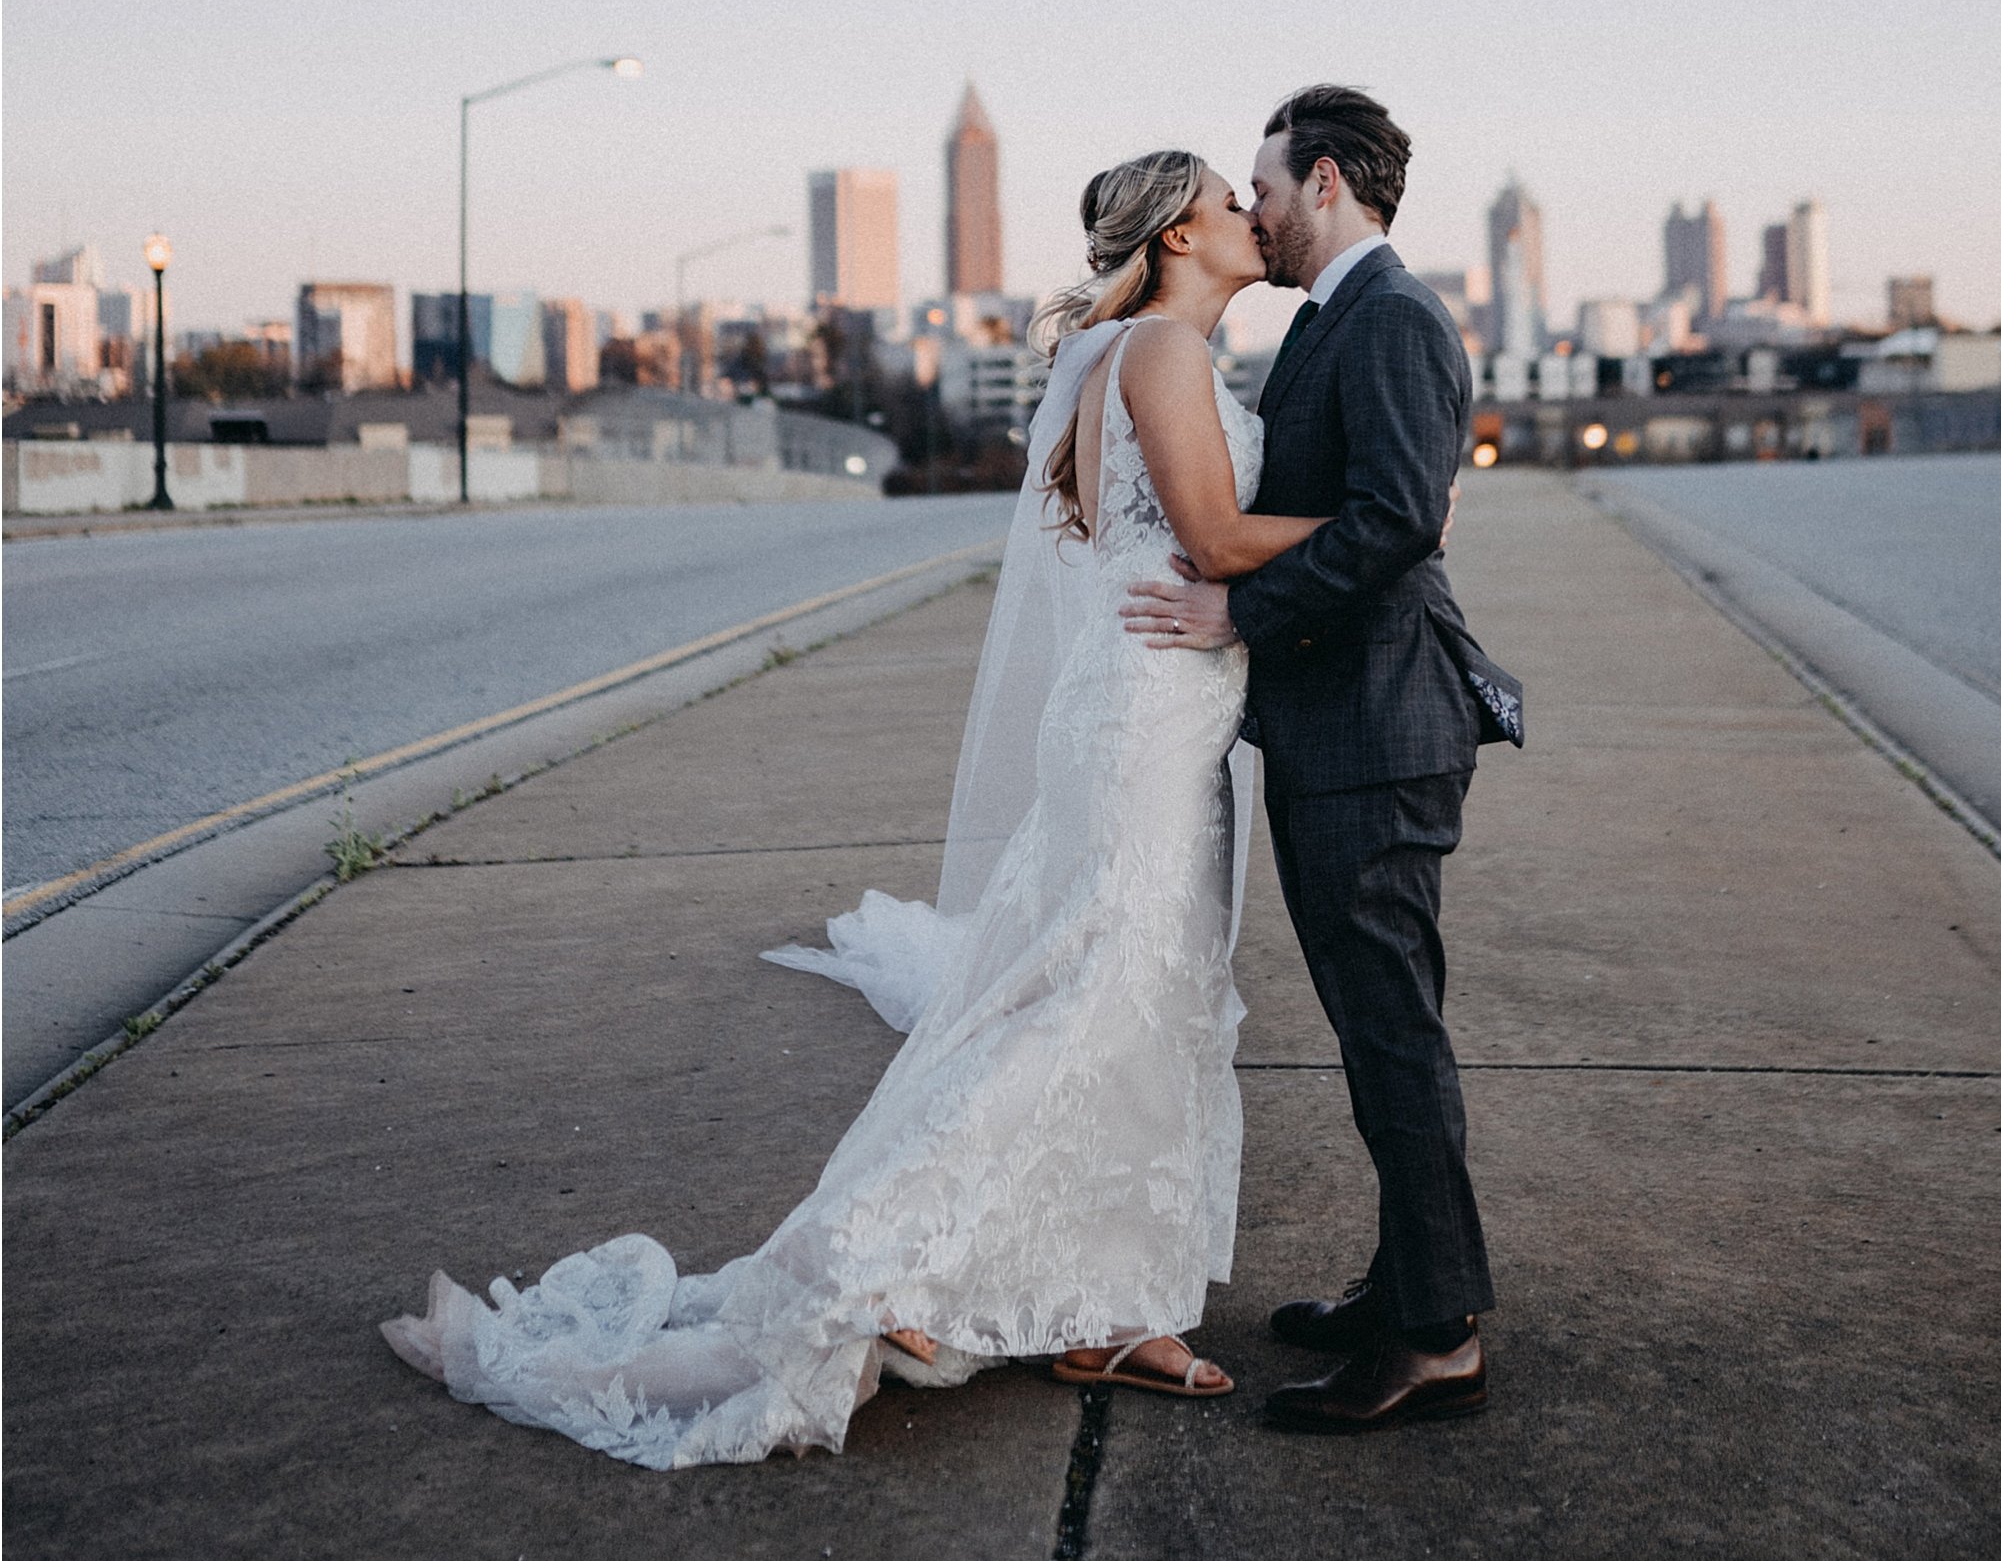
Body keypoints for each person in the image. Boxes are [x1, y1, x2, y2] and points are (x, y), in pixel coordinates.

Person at [381, 150, 1321, 1467]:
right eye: (1228, 198)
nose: (1249, 213)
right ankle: (879, 1269)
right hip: (1143, 721)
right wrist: (1381, 512)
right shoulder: (1159, 357)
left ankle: (1107, 1306)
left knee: (1130, 997)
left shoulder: (1137, 358)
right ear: (1174, 237)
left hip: (1149, 708)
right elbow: (1215, 545)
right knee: (1094, 998)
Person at [1123, 85, 1513, 1435]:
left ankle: (1434, 1334)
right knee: (1374, 1028)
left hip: (1380, 729)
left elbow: (1400, 518)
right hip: (1336, 725)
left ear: (1330, 181)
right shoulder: (1335, 321)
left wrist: (1246, 608)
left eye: (1268, 187)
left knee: (1393, 1032)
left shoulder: (1392, 319)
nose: (1257, 212)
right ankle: (1410, 1279)